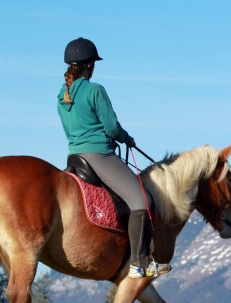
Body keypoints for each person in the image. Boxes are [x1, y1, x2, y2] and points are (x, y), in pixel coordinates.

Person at [57, 37, 170, 278]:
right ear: (90, 64)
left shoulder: (61, 97)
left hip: (74, 157)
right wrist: (126, 138)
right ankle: (140, 263)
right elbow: (110, 127)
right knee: (143, 202)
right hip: (99, 155)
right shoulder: (95, 90)